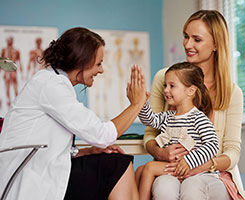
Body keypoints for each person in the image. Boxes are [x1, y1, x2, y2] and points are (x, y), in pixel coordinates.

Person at [0, 27, 147, 200]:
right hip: (26, 182)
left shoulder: (52, 82)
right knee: (117, 165)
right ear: (81, 62)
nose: (101, 70)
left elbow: (47, 144)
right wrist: (137, 104)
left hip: (40, 171)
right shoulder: (51, 85)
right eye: (99, 63)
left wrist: (86, 152)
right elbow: (102, 134)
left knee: (113, 161)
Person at [143, 10, 245, 199]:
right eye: (186, 37)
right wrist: (160, 152)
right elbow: (151, 133)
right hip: (171, 170)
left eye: (196, 39)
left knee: (194, 187)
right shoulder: (164, 78)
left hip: (210, 172)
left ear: (216, 44)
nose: (187, 44)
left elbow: (232, 151)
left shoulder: (232, 93)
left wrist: (204, 164)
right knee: (163, 187)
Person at [135, 62, 219, 200]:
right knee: (140, 171)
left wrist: (188, 161)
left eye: (172, 86)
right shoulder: (168, 116)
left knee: (149, 168)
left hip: (189, 168)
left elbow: (212, 145)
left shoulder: (198, 118)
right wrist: (142, 102)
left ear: (191, 91)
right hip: (172, 166)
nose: (166, 90)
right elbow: (149, 120)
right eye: (165, 86)